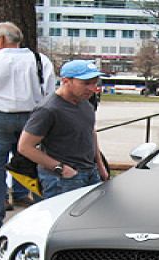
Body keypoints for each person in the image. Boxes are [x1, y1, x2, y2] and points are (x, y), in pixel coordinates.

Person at [0, 22, 55, 228]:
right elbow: (49, 92)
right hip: (32, 117)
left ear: (3, 39)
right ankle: (38, 210)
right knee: (34, 163)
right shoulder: (39, 60)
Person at [17, 60, 109, 199]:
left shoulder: (86, 103)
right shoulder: (48, 109)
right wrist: (61, 168)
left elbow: (91, 132)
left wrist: (100, 165)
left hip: (90, 172)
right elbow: (25, 147)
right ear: (66, 81)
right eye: (86, 83)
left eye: (95, 83)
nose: (92, 88)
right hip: (62, 180)